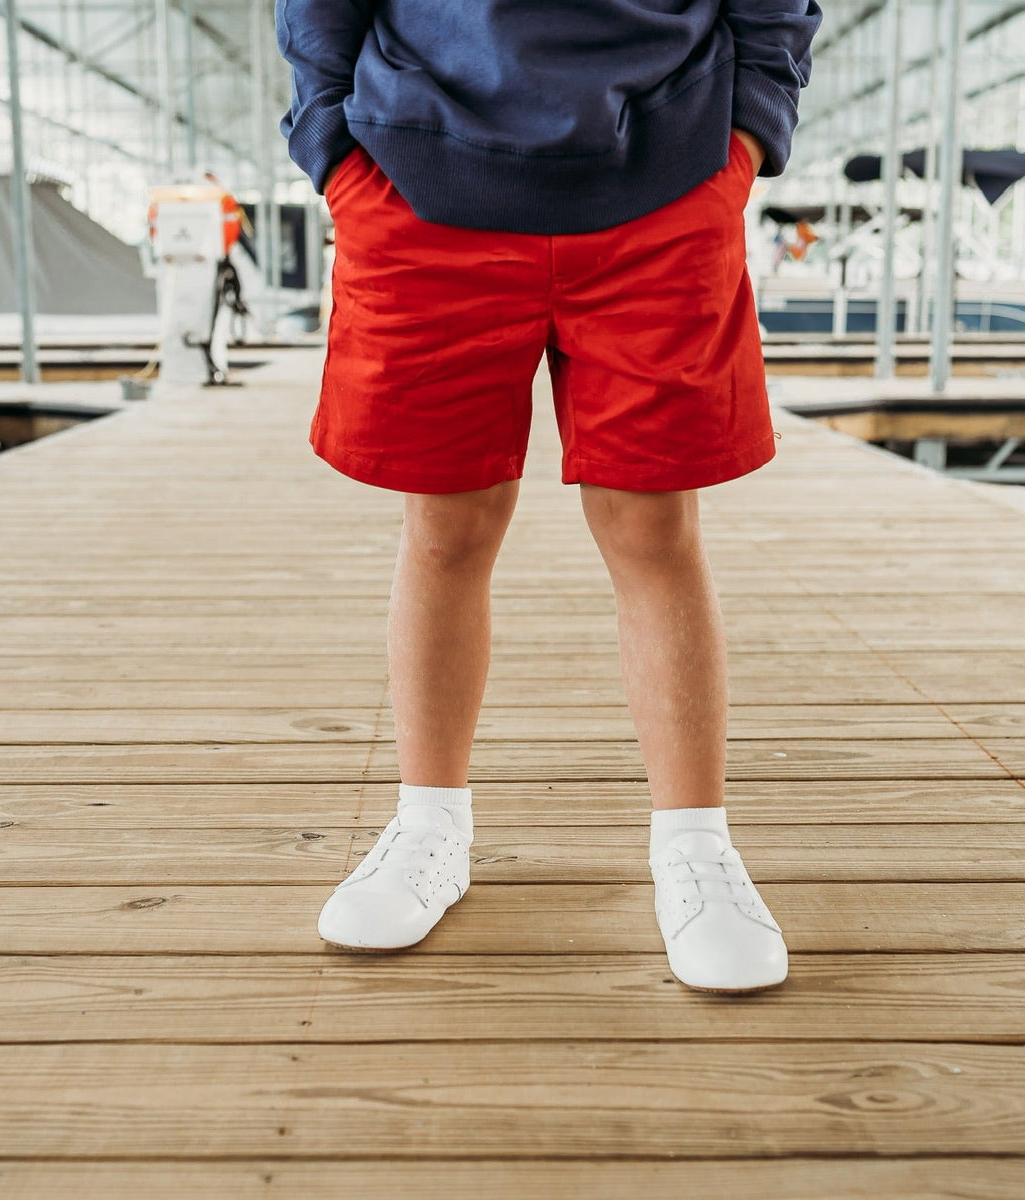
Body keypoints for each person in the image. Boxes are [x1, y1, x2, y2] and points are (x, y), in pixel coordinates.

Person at [277, 1, 822, 993]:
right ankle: (428, 823)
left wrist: (745, 139)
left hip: (663, 176)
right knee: (446, 524)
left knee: (653, 525)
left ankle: (694, 844)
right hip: (420, 173)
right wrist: (335, 151)